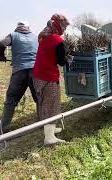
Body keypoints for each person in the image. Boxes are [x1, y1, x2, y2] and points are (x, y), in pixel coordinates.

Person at [33, 14, 71, 145]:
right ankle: (49, 138)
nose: (64, 29)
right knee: (51, 105)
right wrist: (69, 58)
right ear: (58, 26)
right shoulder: (57, 40)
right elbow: (61, 62)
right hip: (48, 76)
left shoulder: (44, 36)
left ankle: (51, 130)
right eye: (64, 26)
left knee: (45, 103)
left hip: (38, 75)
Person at [0, 21, 39, 134]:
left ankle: (4, 127)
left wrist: (1, 56)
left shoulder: (13, 35)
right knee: (39, 99)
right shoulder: (35, 36)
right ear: (27, 28)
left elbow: (2, 44)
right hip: (35, 71)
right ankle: (42, 124)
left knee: (11, 100)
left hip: (19, 72)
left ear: (17, 28)